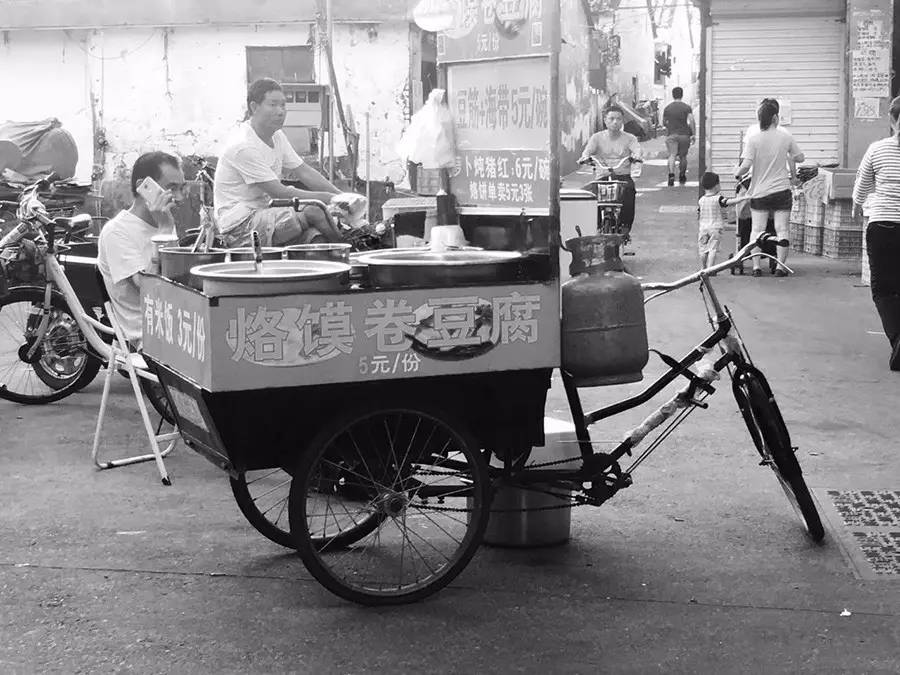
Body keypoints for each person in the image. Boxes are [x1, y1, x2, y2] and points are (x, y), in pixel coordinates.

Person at [213, 77, 345, 247]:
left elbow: (304, 171)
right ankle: (350, 251)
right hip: (239, 226)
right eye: (273, 105)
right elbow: (281, 193)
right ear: (254, 107)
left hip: (265, 213)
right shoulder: (243, 146)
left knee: (317, 238)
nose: (280, 111)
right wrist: (331, 199)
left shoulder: (277, 136)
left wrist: (343, 197)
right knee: (315, 210)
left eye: (283, 105)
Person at [97, 152, 186, 347]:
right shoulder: (116, 232)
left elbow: (177, 282)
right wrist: (164, 232)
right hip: (148, 337)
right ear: (143, 186)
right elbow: (152, 290)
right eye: (172, 188)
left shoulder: (164, 222)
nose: (179, 197)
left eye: (181, 188)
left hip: (181, 325)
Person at [852, 95, 900, 371]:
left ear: (891, 121)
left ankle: (897, 339)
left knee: (884, 289)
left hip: (882, 225)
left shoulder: (878, 149)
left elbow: (861, 188)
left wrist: (857, 206)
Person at [734, 99, 805, 277]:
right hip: (781, 190)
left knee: (757, 229)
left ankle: (757, 267)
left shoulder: (753, 138)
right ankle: (780, 267)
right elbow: (799, 158)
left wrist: (736, 173)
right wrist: (791, 154)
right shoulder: (785, 136)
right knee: (782, 229)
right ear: (774, 117)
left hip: (760, 191)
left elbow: (746, 165)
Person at [579, 105, 642, 235]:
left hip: (622, 176)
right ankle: (595, 225)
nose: (615, 122)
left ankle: (625, 226)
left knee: (629, 191)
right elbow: (588, 151)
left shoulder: (630, 138)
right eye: (611, 118)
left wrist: (636, 156)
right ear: (605, 120)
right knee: (589, 195)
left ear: (622, 121)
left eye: (618, 119)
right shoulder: (596, 138)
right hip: (602, 176)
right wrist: (585, 157)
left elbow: (636, 149)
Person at [697, 171, 749, 270]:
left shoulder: (701, 200)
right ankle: (710, 269)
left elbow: (699, 214)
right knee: (713, 249)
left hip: (703, 228)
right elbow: (729, 202)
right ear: (716, 186)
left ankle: (703, 268)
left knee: (703, 249)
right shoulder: (718, 198)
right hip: (716, 228)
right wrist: (743, 198)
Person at [662, 86, 695, 187]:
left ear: (673, 95)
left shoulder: (667, 108)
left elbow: (664, 122)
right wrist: (693, 134)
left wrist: (670, 127)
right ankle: (682, 175)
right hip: (684, 135)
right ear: (682, 94)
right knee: (683, 156)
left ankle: (671, 175)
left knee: (672, 155)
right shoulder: (686, 107)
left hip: (671, 135)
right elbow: (691, 121)